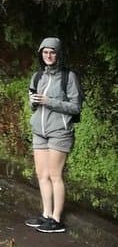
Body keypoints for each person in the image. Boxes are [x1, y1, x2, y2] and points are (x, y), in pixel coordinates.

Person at [25, 36, 80, 234]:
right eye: (45, 52)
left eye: (52, 52)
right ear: (41, 54)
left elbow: (75, 107)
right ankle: (46, 215)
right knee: (42, 174)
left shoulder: (68, 77)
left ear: (58, 54)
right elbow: (33, 105)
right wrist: (33, 100)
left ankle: (57, 219)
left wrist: (50, 101)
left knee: (55, 175)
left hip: (60, 131)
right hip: (39, 131)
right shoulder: (37, 77)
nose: (49, 55)